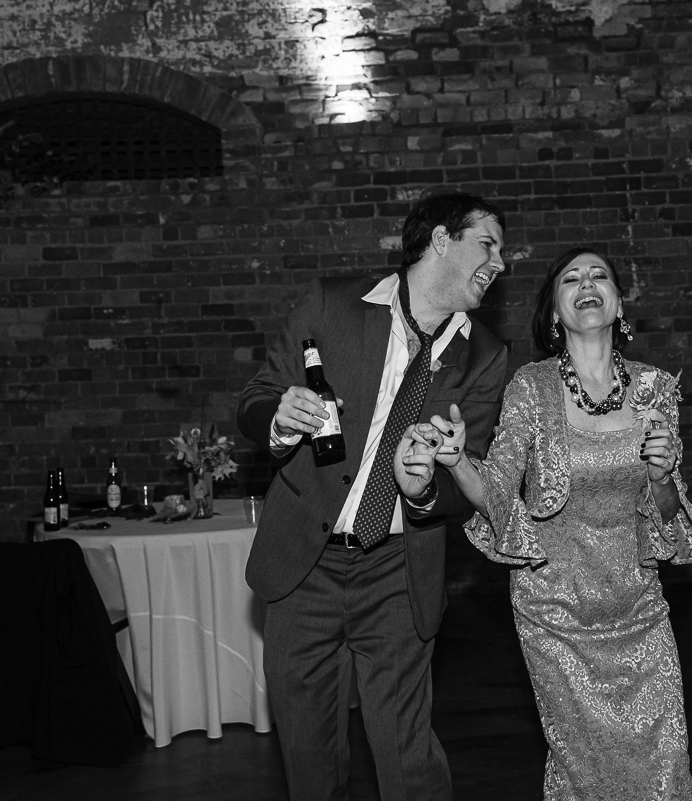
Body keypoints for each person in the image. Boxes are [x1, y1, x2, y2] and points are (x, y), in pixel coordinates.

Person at [395, 246, 692, 800]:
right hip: (555, 608)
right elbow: (495, 490)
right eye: (571, 278)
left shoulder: (655, 389)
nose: (586, 283)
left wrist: (663, 476)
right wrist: (455, 461)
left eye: (600, 276)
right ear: (554, 312)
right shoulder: (531, 387)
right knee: (581, 761)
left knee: (663, 755)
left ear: (618, 304)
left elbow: (668, 516)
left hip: (637, 604)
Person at [235, 192, 510, 801]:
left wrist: (424, 489)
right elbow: (256, 396)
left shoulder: (486, 356)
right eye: (487, 244)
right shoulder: (332, 304)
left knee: (406, 754)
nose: (500, 261)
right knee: (308, 755)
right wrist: (280, 420)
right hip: (304, 560)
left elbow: (470, 481)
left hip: (396, 566)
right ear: (442, 239)